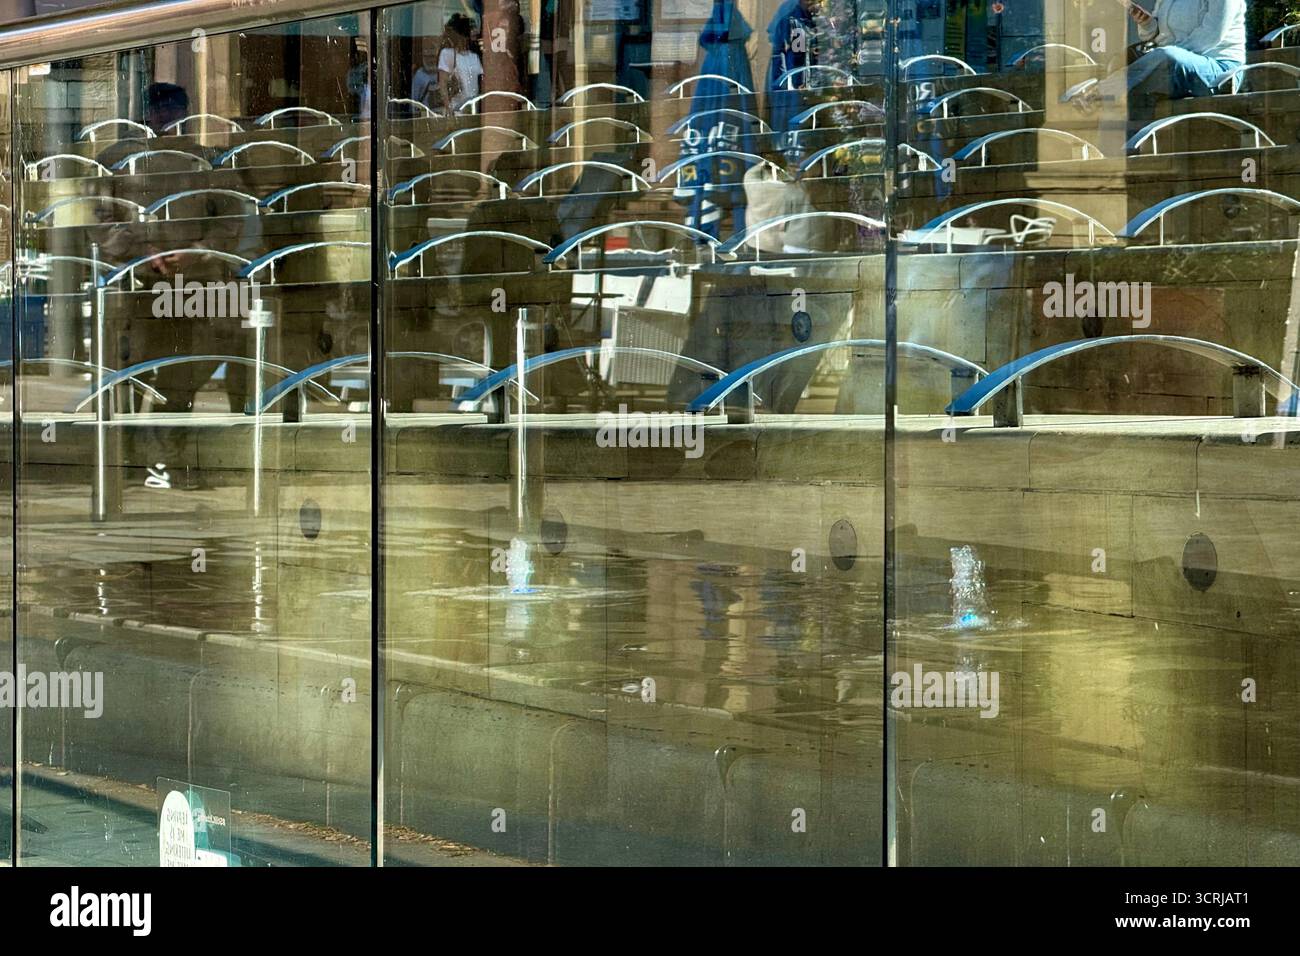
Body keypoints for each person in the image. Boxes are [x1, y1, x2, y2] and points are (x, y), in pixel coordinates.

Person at [1080, 0, 1245, 111]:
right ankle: (1124, 150)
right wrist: (1147, 23)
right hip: (1172, 65)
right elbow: (1156, 34)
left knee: (1166, 57)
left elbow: (1211, 36)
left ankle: (1102, 91)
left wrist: (1165, 54)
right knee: (1125, 66)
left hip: (1219, 70)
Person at [438, 13, 484, 113]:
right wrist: (448, 109)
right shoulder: (448, 54)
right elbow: (443, 83)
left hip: (473, 110)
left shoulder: (474, 56)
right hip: (456, 110)